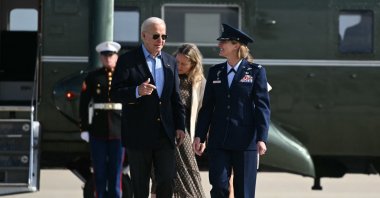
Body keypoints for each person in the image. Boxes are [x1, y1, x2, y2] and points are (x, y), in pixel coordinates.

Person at [110, 17, 186, 198]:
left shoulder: (170, 61)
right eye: (156, 36)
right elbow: (115, 93)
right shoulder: (127, 60)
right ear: (144, 36)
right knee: (140, 184)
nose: (161, 41)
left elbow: (175, 97)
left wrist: (180, 126)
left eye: (164, 36)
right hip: (138, 133)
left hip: (165, 134)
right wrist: (137, 91)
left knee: (167, 180)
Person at [193, 23, 270, 198]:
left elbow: (262, 107)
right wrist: (200, 135)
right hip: (219, 140)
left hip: (245, 142)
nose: (219, 45)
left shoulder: (256, 72)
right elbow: (207, 107)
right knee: (219, 187)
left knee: (244, 191)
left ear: (236, 45)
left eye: (224, 42)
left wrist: (261, 138)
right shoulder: (215, 72)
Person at [151, 43, 207, 198]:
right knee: (160, 175)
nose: (179, 66)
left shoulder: (199, 82)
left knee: (189, 174)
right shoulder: (165, 74)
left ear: (193, 64)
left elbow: (204, 112)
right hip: (162, 133)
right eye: (177, 62)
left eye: (184, 64)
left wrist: (202, 138)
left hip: (184, 134)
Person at [79, 41, 125, 198]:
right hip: (98, 131)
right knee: (99, 171)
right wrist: (84, 128)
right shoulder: (92, 77)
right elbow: (84, 105)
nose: (108, 59)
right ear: (100, 57)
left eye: (110, 55)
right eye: (104, 56)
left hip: (119, 131)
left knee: (116, 171)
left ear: (116, 57)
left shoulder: (124, 76)